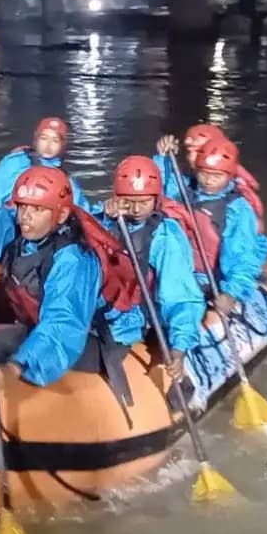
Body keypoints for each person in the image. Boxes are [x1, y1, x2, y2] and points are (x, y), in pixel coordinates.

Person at [0, 167, 139, 400]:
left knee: (11, 345)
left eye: (37, 209)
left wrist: (14, 367)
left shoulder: (74, 259)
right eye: (22, 206)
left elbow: (64, 323)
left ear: (60, 215)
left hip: (94, 336)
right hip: (44, 323)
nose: (25, 216)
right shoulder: (25, 236)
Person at [98, 156, 206, 379]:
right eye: (129, 201)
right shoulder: (103, 221)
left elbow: (180, 297)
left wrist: (179, 348)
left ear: (156, 200)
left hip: (139, 315)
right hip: (102, 309)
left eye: (144, 202)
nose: (136, 209)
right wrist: (105, 220)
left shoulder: (165, 236)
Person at [0, 117, 92, 259]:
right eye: (44, 138)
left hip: (41, 232)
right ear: (36, 139)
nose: (48, 145)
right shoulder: (15, 162)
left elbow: (83, 213)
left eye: (55, 140)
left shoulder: (66, 180)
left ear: (63, 145)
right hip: (7, 224)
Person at [189, 138, 267, 316]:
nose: (209, 180)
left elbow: (243, 255)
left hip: (215, 279)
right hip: (185, 274)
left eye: (217, 176)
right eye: (204, 173)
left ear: (230, 175)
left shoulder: (237, 209)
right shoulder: (185, 191)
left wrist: (231, 293)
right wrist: (162, 159)